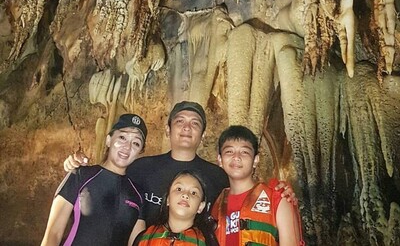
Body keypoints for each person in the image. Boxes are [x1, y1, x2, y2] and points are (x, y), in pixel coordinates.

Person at [64, 102, 295, 226]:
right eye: (180, 121)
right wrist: (76, 165)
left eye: (195, 123)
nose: (186, 127)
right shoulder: (140, 168)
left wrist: (279, 192)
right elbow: (105, 178)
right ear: (168, 129)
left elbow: (246, 195)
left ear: (202, 136)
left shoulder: (218, 176)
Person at [41, 114, 148, 246]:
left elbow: (137, 243)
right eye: (122, 137)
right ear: (108, 140)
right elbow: (53, 234)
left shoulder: (138, 195)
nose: (127, 147)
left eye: (136, 143)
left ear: (140, 152)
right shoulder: (81, 175)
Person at [212, 125, 304, 246]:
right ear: (220, 160)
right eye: (229, 151)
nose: (236, 157)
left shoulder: (277, 198)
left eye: (244, 152)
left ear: (255, 160)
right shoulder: (216, 204)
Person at [133, 170, 209, 245]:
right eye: (179, 189)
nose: (185, 195)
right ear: (168, 199)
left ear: (200, 206)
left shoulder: (206, 242)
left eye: (193, 193)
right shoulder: (144, 238)